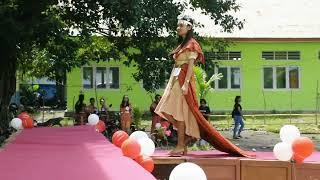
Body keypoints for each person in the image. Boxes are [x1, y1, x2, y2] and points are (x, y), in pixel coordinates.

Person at [155, 15, 252, 157]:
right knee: (167, 111)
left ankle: (181, 145)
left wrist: (186, 84)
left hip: (183, 81)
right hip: (175, 80)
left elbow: (190, 67)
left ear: (189, 27)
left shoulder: (192, 44)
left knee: (178, 114)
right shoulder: (181, 45)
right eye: (178, 25)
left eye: (181, 25)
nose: (178, 27)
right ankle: (187, 135)